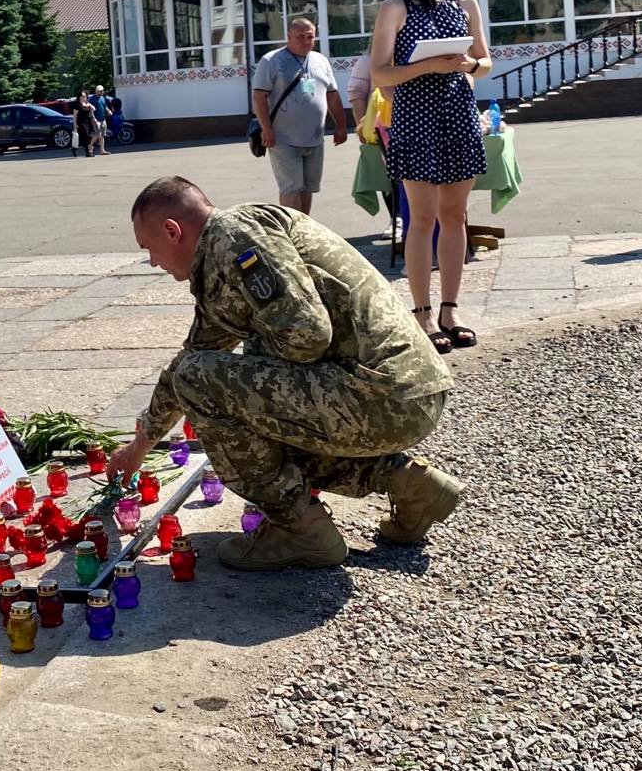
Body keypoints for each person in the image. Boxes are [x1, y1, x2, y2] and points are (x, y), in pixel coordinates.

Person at [110, 176, 462, 570]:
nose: (153, 262)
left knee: (218, 390)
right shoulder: (225, 250)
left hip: (380, 396)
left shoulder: (235, 237)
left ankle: (300, 531)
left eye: (149, 248)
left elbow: (306, 335)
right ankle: (411, 485)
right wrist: (141, 444)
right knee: (231, 395)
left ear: (172, 230)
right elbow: (192, 358)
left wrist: (254, 363)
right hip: (398, 396)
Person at [366, 0, 490, 355]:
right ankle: (420, 312)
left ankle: (450, 310)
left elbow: (485, 63)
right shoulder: (394, 8)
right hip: (415, 117)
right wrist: (429, 65)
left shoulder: (465, 3)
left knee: (455, 214)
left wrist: (468, 62)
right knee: (422, 218)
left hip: (458, 112)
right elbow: (380, 74)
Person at [250, 18, 348, 214]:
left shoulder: (320, 60)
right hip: (282, 138)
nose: (306, 41)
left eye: (310, 37)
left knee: (308, 188)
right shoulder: (272, 60)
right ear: (288, 37)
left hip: (314, 138)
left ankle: (304, 230)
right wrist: (267, 129)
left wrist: (341, 125)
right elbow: (259, 96)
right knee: (292, 187)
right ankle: (292, 233)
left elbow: (333, 95)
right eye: (300, 37)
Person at [72, 91, 100, 159]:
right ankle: (88, 152)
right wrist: (75, 126)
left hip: (88, 122)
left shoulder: (86, 104)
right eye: (83, 96)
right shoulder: (77, 105)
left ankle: (74, 148)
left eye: (85, 96)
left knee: (86, 138)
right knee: (87, 136)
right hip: (81, 123)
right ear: (79, 97)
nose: (85, 97)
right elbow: (74, 116)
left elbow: (94, 109)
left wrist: (89, 104)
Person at [90, 85, 111, 155]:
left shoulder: (102, 98)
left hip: (102, 119)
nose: (101, 92)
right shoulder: (92, 99)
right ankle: (90, 145)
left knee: (102, 135)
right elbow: (90, 110)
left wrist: (108, 111)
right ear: (96, 91)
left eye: (102, 91)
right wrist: (94, 119)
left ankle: (102, 150)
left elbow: (105, 107)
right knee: (97, 133)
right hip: (95, 119)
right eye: (99, 91)